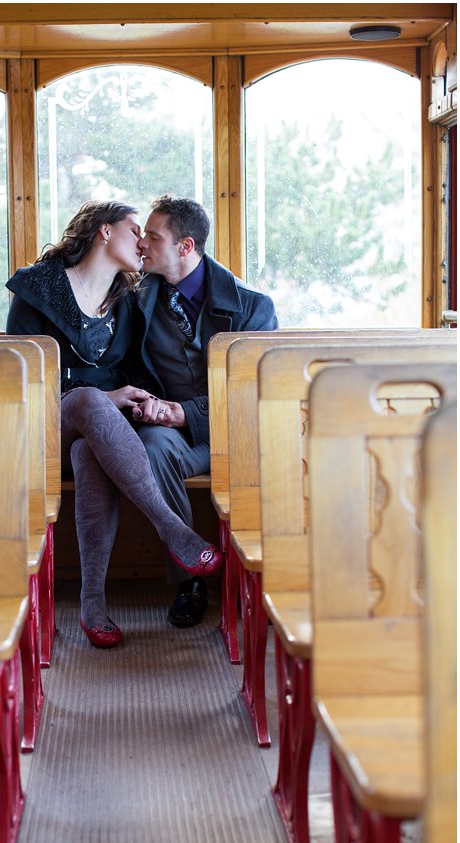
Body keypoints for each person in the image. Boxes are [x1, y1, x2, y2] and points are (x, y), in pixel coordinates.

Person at [5, 200, 222, 649]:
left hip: (99, 437)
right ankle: (173, 530)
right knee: (87, 399)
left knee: (89, 452)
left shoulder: (128, 302)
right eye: (134, 230)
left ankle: (92, 607)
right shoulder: (37, 290)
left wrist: (140, 401)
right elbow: (20, 378)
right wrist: (104, 398)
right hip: (43, 428)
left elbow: (135, 374)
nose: (141, 242)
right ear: (105, 231)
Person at [125, 195, 276, 628]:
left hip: (237, 433)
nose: (142, 244)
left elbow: (253, 389)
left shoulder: (253, 307)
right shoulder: (135, 299)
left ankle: (258, 577)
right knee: (152, 448)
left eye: (153, 237)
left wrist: (188, 412)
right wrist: (150, 406)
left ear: (185, 246)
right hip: (173, 438)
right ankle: (189, 578)